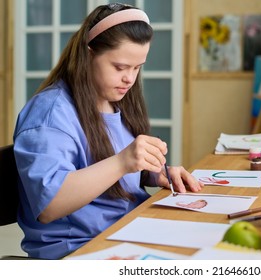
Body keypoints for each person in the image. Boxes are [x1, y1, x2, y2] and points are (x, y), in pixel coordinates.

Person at [13, 3, 203, 260]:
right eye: (120, 67)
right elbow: (49, 204)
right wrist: (124, 161)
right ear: (89, 55)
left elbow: (106, 166)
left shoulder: (114, 100)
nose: (130, 79)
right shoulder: (49, 113)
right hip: (79, 250)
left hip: (126, 231)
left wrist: (153, 172)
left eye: (137, 68)